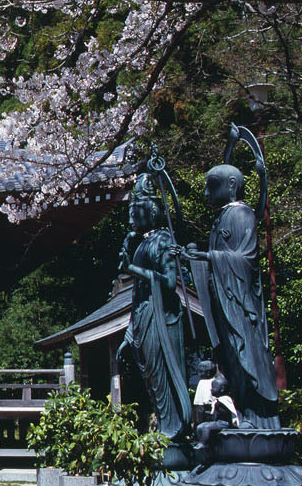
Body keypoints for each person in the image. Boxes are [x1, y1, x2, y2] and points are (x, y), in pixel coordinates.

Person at [187, 164, 280, 428]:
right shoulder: (219, 219)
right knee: (229, 357)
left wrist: (208, 256)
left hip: (240, 303)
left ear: (230, 185)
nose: (205, 192)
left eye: (210, 186)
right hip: (224, 300)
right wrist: (197, 261)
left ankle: (257, 417)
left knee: (244, 353)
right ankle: (239, 411)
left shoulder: (242, 215)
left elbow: (246, 259)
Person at [116, 173, 193, 454]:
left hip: (161, 314)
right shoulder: (142, 243)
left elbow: (170, 282)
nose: (131, 220)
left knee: (163, 372)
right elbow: (136, 294)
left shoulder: (162, 240)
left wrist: (133, 269)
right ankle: (164, 425)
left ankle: (174, 431)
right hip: (143, 313)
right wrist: (129, 331)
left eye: (135, 213)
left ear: (150, 212)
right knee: (150, 375)